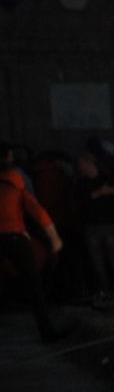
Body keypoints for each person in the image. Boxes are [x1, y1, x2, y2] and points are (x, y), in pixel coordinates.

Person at [0, 145, 64, 340]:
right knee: (34, 285)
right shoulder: (16, 185)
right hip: (15, 237)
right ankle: (47, 332)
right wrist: (54, 238)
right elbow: (38, 212)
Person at [76, 151, 114, 295]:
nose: (80, 167)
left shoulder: (108, 179)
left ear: (90, 163)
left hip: (109, 226)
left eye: (82, 164)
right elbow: (81, 202)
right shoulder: (82, 183)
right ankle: (105, 292)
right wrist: (100, 193)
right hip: (91, 228)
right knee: (97, 264)